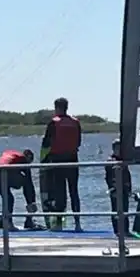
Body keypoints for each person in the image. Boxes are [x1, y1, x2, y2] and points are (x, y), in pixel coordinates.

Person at [40, 97, 82, 231]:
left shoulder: (53, 123)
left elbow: (46, 143)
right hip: (73, 159)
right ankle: (77, 224)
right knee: (74, 191)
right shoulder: (76, 122)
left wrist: (44, 159)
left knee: (60, 192)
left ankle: (58, 224)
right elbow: (79, 142)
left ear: (56, 108)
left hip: (58, 160)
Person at [0, 148, 38, 230]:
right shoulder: (23, 159)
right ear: (28, 157)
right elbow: (29, 181)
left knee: (8, 198)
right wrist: (32, 201)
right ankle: (29, 216)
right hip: (5, 173)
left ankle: (3, 221)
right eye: (30, 162)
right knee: (26, 183)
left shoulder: (7, 154)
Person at [105, 140, 131, 236]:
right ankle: (117, 231)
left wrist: (129, 188)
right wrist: (112, 188)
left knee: (125, 210)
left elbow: (128, 175)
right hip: (115, 189)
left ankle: (126, 230)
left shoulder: (124, 160)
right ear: (113, 149)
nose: (119, 150)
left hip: (124, 188)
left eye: (120, 148)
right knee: (115, 211)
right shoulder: (110, 161)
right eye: (117, 148)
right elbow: (108, 177)